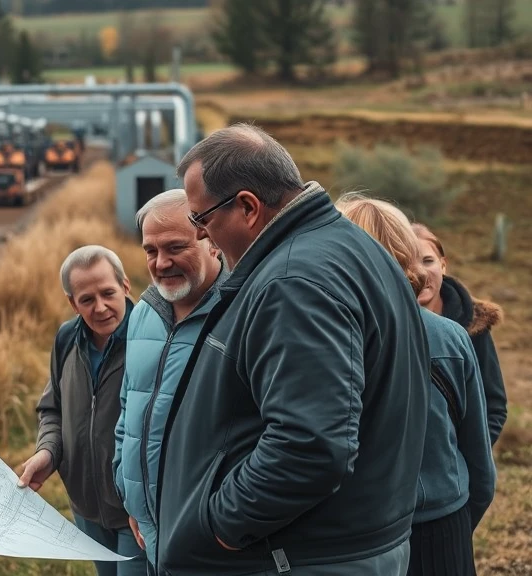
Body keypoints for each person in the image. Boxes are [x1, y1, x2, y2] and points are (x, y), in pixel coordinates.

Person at [155, 123, 430, 575]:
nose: (201, 235)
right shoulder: (346, 246)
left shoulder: (292, 282)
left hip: (303, 557)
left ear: (248, 207)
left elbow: (309, 447)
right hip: (341, 547)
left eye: (201, 219)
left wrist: (219, 526)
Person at [336, 194, 496, 576]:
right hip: (444, 528)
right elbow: (480, 465)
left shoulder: (325, 339)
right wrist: (455, 528)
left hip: (354, 537)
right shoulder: (452, 337)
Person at [112, 189, 227, 575]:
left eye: (176, 247)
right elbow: (129, 407)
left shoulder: (242, 313)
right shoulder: (143, 313)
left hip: (214, 541)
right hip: (150, 530)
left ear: (212, 242)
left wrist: (225, 521)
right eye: (151, 250)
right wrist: (131, 496)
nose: (161, 263)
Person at [17, 245, 146, 576]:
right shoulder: (66, 339)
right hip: (86, 510)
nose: (100, 307)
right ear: (72, 303)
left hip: (137, 512)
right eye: (87, 299)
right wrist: (48, 452)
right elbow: (53, 409)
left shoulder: (151, 338)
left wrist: (147, 502)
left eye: (108, 293)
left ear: (125, 286)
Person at [412, 222, 508, 446]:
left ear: (443, 265)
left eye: (428, 261)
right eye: (406, 262)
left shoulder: (473, 324)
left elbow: (493, 407)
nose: (420, 272)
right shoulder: (384, 324)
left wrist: (462, 458)